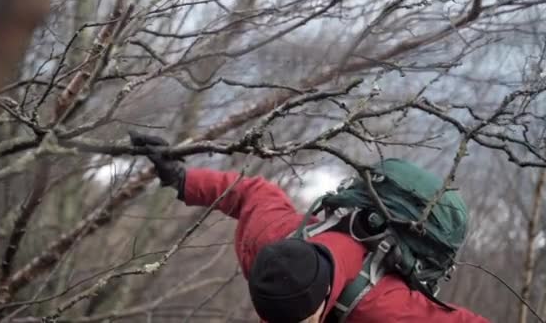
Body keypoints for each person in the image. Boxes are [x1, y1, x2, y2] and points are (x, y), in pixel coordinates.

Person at [129, 132, 490, 323]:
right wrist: (180, 178)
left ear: (318, 306)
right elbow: (250, 192)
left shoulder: (379, 307)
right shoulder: (270, 234)